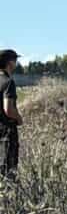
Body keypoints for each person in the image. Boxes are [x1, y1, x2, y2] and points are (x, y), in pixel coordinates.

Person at [0, 50, 23, 179]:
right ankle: (7, 198)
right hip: (6, 131)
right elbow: (8, 109)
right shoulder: (8, 82)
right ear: (10, 63)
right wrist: (19, 118)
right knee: (8, 169)